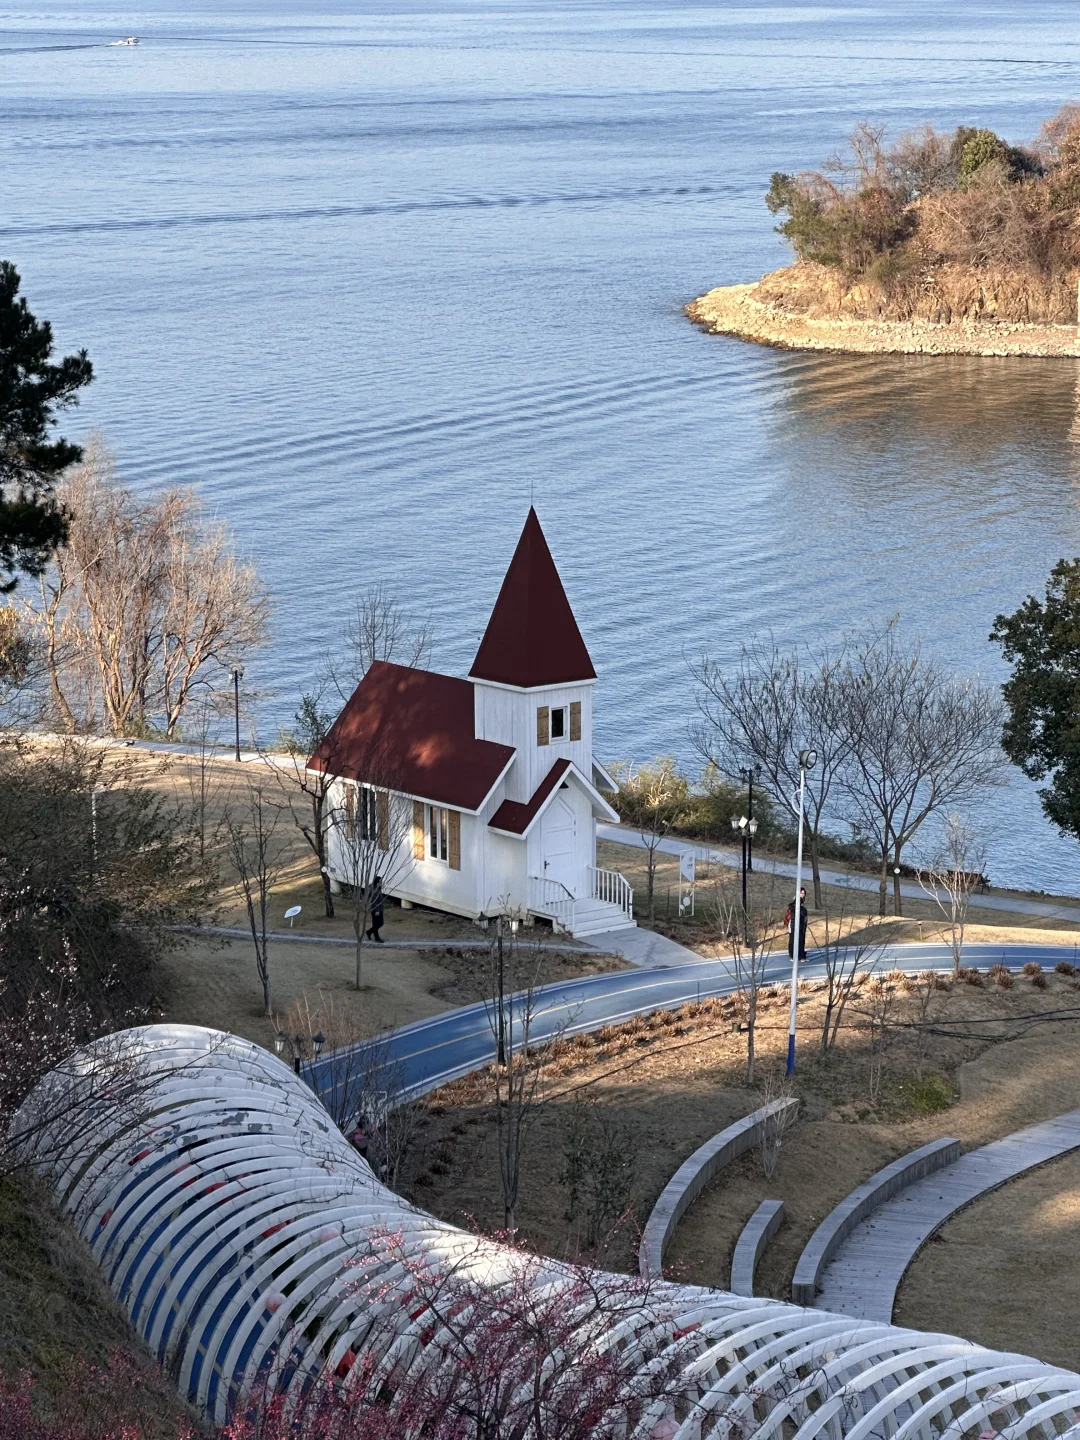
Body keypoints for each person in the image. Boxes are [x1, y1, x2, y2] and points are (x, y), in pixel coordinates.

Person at [785, 886, 809, 961]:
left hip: (797, 924)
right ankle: (798, 955)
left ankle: (796, 954)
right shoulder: (797, 902)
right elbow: (801, 912)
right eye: (802, 893)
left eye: (804, 893)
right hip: (797, 924)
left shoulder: (798, 902)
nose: (803, 894)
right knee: (798, 940)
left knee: (795, 939)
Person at [365, 875, 385, 943]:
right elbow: (374, 900)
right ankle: (374, 935)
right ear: (377, 882)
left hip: (379, 908)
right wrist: (377, 910)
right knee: (378, 923)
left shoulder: (377, 888)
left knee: (378, 923)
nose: (381, 882)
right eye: (380, 881)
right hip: (376, 909)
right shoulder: (375, 889)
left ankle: (370, 932)